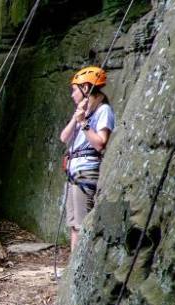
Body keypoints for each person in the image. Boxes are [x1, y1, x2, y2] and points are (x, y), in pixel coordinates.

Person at [59, 66, 114, 255]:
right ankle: (73, 268)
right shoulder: (83, 112)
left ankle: (80, 268)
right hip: (74, 170)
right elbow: (63, 138)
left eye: (75, 90)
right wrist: (77, 118)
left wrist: (83, 123)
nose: (72, 94)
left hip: (86, 170)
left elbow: (100, 143)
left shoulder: (103, 110)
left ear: (86, 88)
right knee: (74, 224)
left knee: (82, 224)